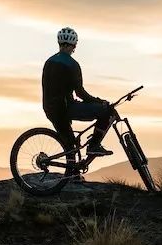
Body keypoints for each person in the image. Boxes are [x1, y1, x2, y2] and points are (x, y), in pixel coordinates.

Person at [41, 27, 114, 157]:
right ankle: (94, 145)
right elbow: (80, 93)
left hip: (50, 109)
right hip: (66, 108)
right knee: (107, 111)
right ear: (74, 45)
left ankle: (72, 175)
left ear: (59, 43)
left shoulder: (48, 62)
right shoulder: (72, 64)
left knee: (70, 145)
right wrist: (99, 101)